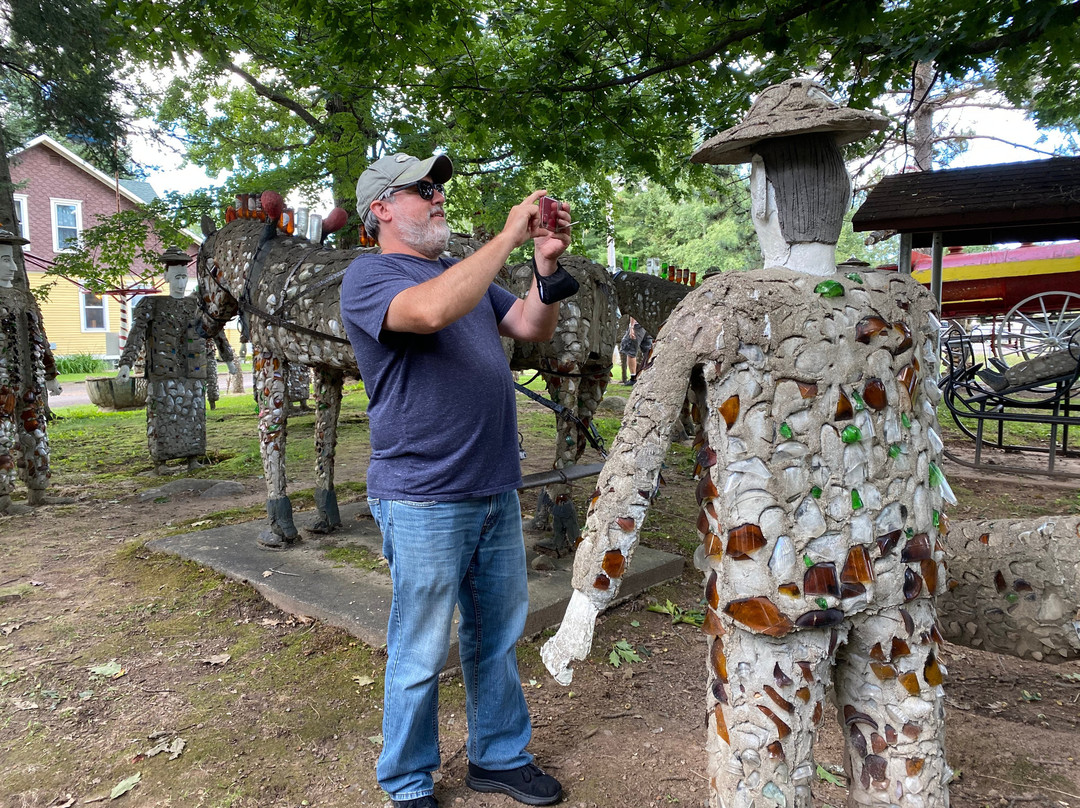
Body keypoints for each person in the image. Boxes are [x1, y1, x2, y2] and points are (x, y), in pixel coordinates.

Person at [341, 152, 574, 808]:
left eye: (439, 186)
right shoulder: (369, 277)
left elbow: (530, 326)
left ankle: (497, 755)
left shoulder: (458, 273)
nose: (437, 196)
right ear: (381, 208)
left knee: (495, 636)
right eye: (422, 189)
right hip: (421, 497)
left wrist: (545, 267)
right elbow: (429, 314)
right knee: (419, 651)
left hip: (494, 485)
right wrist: (507, 236)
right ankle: (408, 782)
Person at [117, 248, 237, 474]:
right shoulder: (152, 304)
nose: (181, 283)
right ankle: (161, 462)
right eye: (176, 277)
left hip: (193, 369)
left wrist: (228, 357)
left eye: (184, 277)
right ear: (167, 278)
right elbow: (137, 333)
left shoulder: (197, 306)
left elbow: (215, 330)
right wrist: (126, 363)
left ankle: (193, 458)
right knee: (163, 414)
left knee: (193, 413)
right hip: (164, 370)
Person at [0, 228, 67, 514]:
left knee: (36, 432)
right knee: (2, 437)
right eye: (5, 259)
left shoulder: (25, 298)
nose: (13, 266)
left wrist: (50, 374)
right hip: (3, 383)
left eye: (13, 259)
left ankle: (38, 490)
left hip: (29, 380)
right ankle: (3, 498)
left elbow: (40, 335)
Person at [618, 316, 652, 385]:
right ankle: (648, 375)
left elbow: (634, 312)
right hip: (649, 323)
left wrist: (632, 327)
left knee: (630, 350)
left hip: (637, 325)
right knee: (648, 351)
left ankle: (633, 378)